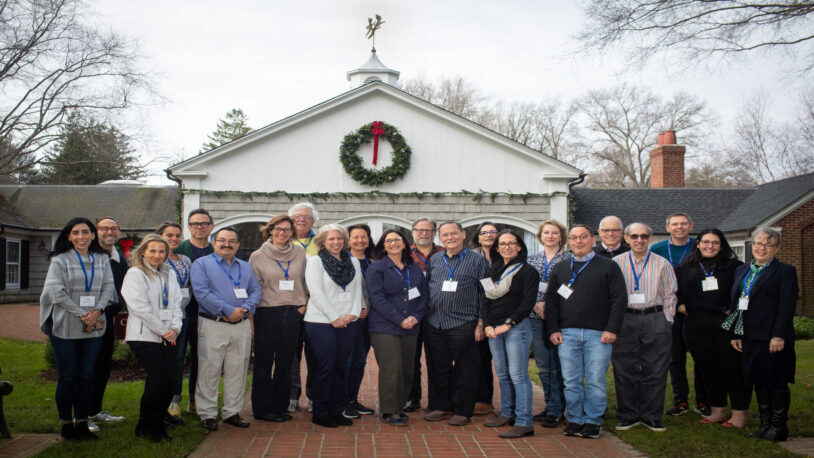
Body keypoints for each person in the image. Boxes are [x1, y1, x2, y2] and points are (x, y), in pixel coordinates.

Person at [40, 217, 118, 441]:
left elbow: (108, 288)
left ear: (93, 235)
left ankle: (82, 423)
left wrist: (97, 312)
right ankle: (66, 424)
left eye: (85, 232)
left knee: (87, 376)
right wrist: (82, 314)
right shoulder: (60, 260)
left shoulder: (102, 259)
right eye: (76, 233)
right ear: (69, 236)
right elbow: (57, 292)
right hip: (65, 326)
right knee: (68, 376)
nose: (81, 237)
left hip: (93, 326)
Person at [547, 224, 627, 439]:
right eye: (574, 238)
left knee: (594, 380)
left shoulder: (608, 266)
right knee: (571, 380)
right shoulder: (561, 268)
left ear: (593, 239)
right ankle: (575, 419)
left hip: (598, 334)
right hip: (567, 333)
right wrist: (553, 329)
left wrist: (612, 329)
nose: (578, 241)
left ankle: (593, 420)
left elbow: (619, 300)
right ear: (569, 242)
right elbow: (552, 302)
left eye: (583, 237)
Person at [726, 228, 798, 442]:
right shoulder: (743, 271)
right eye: (758, 243)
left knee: (775, 380)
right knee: (758, 380)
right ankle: (765, 425)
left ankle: (778, 426)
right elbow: (736, 304)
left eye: (768, 244)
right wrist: (735, 333)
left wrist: (779, 335)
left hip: (772, 336)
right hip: (749, 336)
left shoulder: (784, 271)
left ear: (777, 248)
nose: (761, 247)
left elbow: (787, 306)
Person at [675, 229, 747, 428]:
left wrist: (733, 309)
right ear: (698, 243)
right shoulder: (685, 267)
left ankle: (739, 414)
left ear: (722, 245)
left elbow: (744, 291)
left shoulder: (735, 267)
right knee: (707, 369)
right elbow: (674, 290)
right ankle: (717, 411)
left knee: (731, 369)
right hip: (694, 325)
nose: (710, 246)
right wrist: (680, 304)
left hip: (724, 324)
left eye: (715, 242)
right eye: (705, 242)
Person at [191, 227, 261, 431]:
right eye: (222, 240)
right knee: (209, 369)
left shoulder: (246, 267)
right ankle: (207, 413)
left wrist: (245, 309)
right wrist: (229, 310)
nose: (226, 244)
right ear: (214, 243)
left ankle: (231, 412)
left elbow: (256, 290)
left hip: (241, 325)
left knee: (238, 370)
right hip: (214, 323)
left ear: (237, 245)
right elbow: (201, 293)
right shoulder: (201, 265)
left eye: (231, 241)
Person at [613, 222, 678, 432]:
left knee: (656, 369)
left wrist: (667, 320)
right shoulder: (616, 263)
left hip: (655, 318)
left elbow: (670, 294)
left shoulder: (662, 263)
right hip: (625, 319)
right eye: (634, 236)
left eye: (643, 236)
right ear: (626, 238)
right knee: (624, 369)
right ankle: (628, 415)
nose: (639, 240)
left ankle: (651, 415)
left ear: (650, 238)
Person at [422, 221, 489, 427]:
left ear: (463, 235)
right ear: (439, 237)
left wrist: (481, 322)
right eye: (444, 235)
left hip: (464, 323)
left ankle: (462, 410)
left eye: (453, 233)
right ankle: (441, 406)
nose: (449, 238)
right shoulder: (434, 260)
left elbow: (487, 292)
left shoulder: (478, 260)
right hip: (435, 323)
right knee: (438, 367)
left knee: (465, 368)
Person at [121, 234, 184, 442]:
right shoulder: (135, 274)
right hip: (144, 335)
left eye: (161, 251)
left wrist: (174, 327)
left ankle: (158, 421)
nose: (157, 255)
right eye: (152, 251)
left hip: (169, 334)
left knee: (171, 380)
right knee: (157, 380)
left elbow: (176, 303)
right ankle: (146, 425)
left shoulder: (169, 274)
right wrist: (162, 330)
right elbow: (140, 307)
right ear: (143, 252)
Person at [248, 214, 307, 422]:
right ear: (270, 230)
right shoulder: (257, 255)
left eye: (287, 229)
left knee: (286, 363)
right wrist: (252, 318)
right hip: (267, 312)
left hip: (293, 313)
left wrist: (303, 304)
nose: (282, 233)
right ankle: (262, 409)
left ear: (292, 232)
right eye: (278, 229)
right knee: (264, 363)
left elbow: (305, 280)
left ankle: (281, 406)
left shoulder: (299, 252)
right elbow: (253, 287)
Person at [304, 224, 364, 428]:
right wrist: (333, 317)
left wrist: (352, 314)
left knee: (341, 367)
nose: (336, 242)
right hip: (320, 321)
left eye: (339, 239)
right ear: (322, 241)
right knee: (326, 366)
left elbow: (357, 291)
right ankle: (320, 412)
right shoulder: (315, 262)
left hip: (349, 321)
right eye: (331, 239)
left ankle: (336, 410)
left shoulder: (353, 261)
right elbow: (316, 293)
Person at [366, 229, 428, 426]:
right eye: (389, 240)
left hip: (411, 326)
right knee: (392, 368)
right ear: (383, 245)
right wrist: (399, 319)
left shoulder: (415, 268)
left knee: (407, 368)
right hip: (385, 327)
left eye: (397, 240)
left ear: (405, 243)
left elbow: (423, 297)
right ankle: (389, 410)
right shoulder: (377, 268)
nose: (394, 243)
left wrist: (415, 317)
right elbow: (377, 299)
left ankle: (399, 406)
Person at [481, 230, 539, 438]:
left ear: (519, 247)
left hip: (515, 328)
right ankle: (507, 413)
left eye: (511, 243)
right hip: (494, 330)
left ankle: (524, 422)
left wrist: (509, 324)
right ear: (497, 248)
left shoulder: (527, 271)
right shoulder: (492, 271)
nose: (506, 247)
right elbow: (485, 300)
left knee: (518, 375)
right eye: (502, 244)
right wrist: (486, 325)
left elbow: (527, 303)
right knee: (503, 374)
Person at [651, 213, 709, 417]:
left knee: (701, 356)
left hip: (694, 309)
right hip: (669, 309)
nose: (680, 227)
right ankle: (680, 399)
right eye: (675, 224)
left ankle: (703, 399)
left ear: (691, 225)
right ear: (667, 227)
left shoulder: (701, 246)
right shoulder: (656, 249)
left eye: (684, 223)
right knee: (675, 358)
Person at [526, 219, 570, 428]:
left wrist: (550, 307)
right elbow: (525, 287)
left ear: (561, 236)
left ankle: (557, 409)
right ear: (540, 237)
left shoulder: (569, 260)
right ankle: (550, 406)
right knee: (543, 367)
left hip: (559, 319)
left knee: (558, 366)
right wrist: (535, 305)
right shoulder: (531, 260)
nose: (550, 236)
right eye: (546, 233)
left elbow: (571, 290)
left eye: (554, 233)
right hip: (534, 318)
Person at [172, 208, 215, 415]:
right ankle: (174, 401)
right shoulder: (179, 249)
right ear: (188, 227)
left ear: (211, 227)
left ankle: (194, 400)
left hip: (206, 313)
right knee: (177, 358)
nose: (199, 227)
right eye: (195, 224)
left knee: (202, 358)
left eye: (204, 224)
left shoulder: (216, 251)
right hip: (180, 313)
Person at [87, 217, 128, 431]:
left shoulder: (120, 260)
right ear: (96, 232)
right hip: (85, 321)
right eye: (104, 228)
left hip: (106, 321)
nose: (109, 232)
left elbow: (121, 291)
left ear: (119, 232)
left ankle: (95, 410)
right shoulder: (87, 256)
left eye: (113, 228)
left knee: (103, 367)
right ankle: (82, 416)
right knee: (86, 369)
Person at [404, 217, 445, 413]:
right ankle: (412, 398)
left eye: (428, 230)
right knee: (411, 359)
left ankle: (438, 401)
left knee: (437, 359)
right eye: (419, 230)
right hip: (412, 313)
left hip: (438, 314)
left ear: (434, 233)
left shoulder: (444, 253)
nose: (424, 233)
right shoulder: (404, 254)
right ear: (412, 232)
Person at [156, 222, 193, 418]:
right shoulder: (156, 259)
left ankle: (174, 400)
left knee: (178, 359)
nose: (174, 239)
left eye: (177, 235)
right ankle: (161, 399)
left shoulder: (185, 259)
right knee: (163, 359)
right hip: (162, 319)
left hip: (183, 316)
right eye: (169, 235)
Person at [288, 202, 319, 412]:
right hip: (290, 305)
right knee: (291, 353)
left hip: (317, 304)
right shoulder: (282, 240)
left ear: (313, 221)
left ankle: (314, 396)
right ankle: (291, 395)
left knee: (316, 353)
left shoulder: (321, 241)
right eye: (298, 216)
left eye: (306, 217)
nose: (302, 220)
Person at [343, 224, 376, 418]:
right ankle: (342, 401)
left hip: (369, 321)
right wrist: (356, 310)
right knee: (347, 361)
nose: (360, 240)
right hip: (350, 319)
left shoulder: (373, 262)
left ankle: (352, 399)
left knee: (359, 361)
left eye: (364, 237)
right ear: (348, 240)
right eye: (355, 237)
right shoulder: (344, 261)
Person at [469, 222, 498, 416]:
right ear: (478, 237)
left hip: (498, 315)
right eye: (484, 232)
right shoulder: (471, 257)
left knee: (489, 359)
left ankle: (486, 399)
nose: (488, 235)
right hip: (474, 312)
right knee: (475, 358)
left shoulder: (504, 255)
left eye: (492, 232)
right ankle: (476, 398)